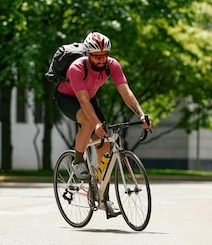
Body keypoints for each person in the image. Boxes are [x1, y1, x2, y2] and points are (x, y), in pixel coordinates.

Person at [55, 31, 152, 218]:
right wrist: (97, 124)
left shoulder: (112, 65)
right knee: (90, 124)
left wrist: (141, 114)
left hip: (90, 100)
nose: (101, 60)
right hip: (68, 98)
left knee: (105, 145)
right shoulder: (76, 68)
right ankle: (77, 160)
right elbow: (83, 102)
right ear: (87, 55)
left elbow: (126, 92)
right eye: (97, 56)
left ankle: (102, 196)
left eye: (104, 55)